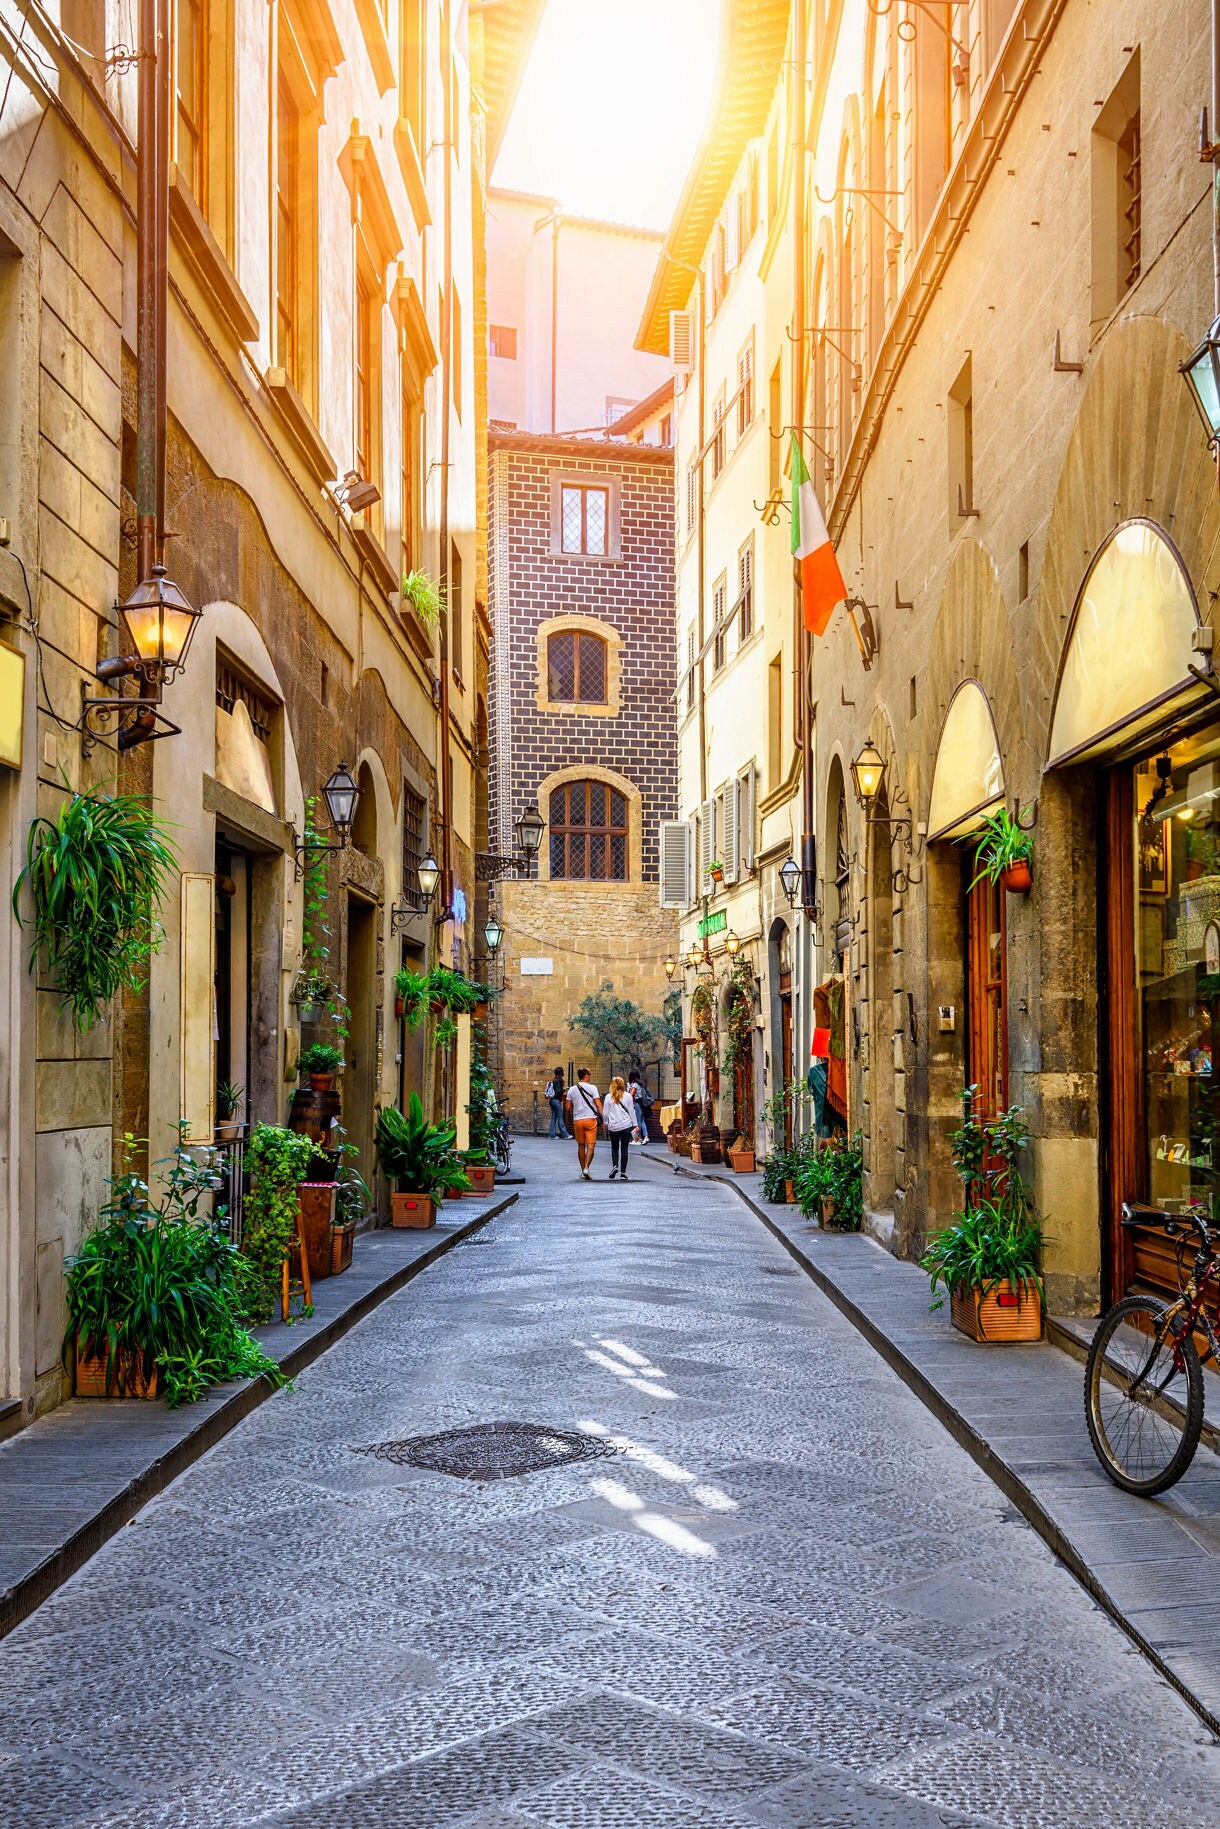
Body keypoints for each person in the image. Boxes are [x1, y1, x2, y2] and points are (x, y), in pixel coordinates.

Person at [565, 1067, 602, 1179]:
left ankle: (582, 1170)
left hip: (578, 1120)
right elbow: (598, 1104)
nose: (590, 1075)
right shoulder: (592, 1088)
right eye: (589, 1074)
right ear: (586, 1075)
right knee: (591, 1145)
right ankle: (586, 1168)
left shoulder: (571, 1089)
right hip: (590, 1119)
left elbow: (567, 1107)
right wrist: (604, 1117)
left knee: (581, 1145)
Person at [603, 1077, 640, 1180]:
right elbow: (631, 1112)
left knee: (614, 1148)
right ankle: (623, 1173)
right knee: (625, 1149)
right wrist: (635, 1124)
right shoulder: (628, 1096)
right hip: (626, 1126)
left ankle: (615, 1166)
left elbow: (605, 1112)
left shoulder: (608, 1097)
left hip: (613, 1126)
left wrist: (606, 1122)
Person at [627, 1069, 653, 1146]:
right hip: (643, 1103)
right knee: (642, 1121)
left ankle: (639, 1138)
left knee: (638, 1121)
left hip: (638, 1103)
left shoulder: (635, 1084)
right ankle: (646, 1137)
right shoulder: (641, 1083)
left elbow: (631, 1094)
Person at [545, 1068, 569, 1139]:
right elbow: (558, 1092)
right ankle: (565, 1135)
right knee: (560, 1118)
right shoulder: (558, 1081)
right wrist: (564, 1089)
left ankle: (551, 1134)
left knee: (553, 1118)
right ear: (561, 1073)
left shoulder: (554, 1080)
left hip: (552, 1100)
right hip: (556, 1101)